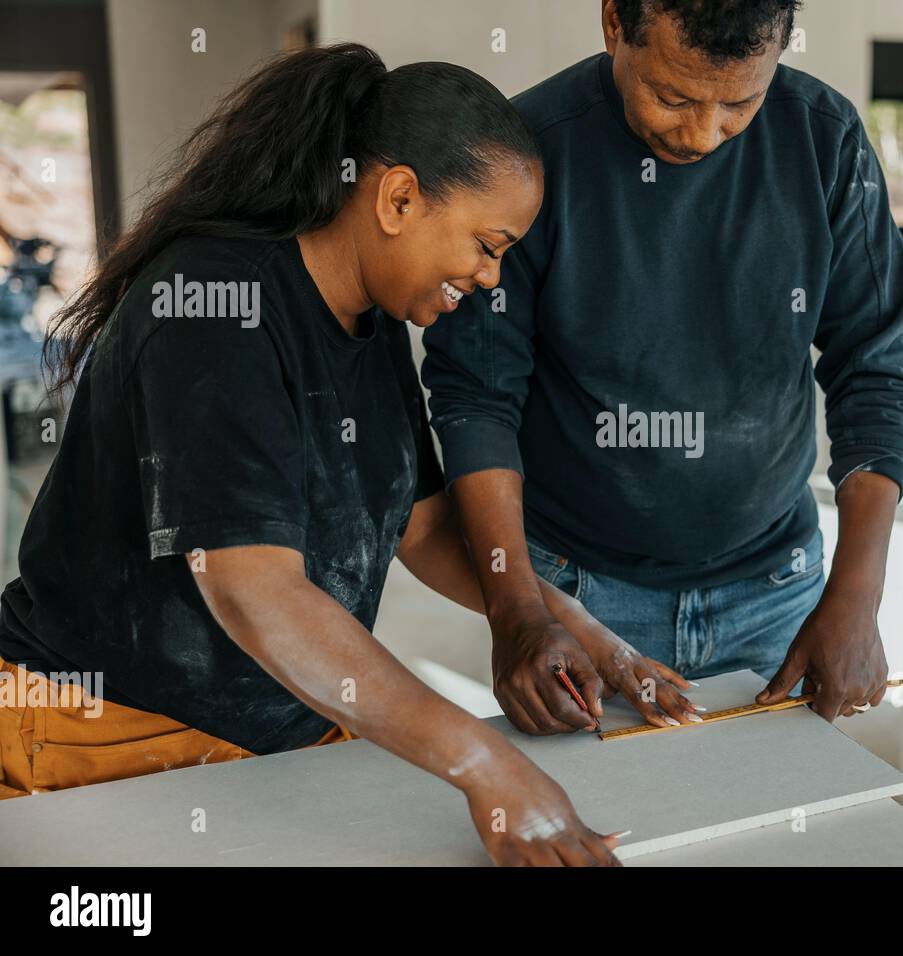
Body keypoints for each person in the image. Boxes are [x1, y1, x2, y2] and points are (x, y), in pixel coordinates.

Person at [0, 42, 695, 867]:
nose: (489, 276)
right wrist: (485, 764)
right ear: (398, 197)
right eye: (486, 243)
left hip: (276, 726)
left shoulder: (371, 322)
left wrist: (563, 625)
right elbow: (254, 591)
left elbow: (424, 529)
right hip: (101, 731)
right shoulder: (214, 307)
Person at [422, 0, 903, 731]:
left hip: (779, 586)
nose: (703, 133)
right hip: (579, 590)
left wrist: (857, 592)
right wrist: (517, 607)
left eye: (741, 102)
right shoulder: (529, 152)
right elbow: (475, 396)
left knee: (770, 833)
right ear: (613, 23)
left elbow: (874, 372)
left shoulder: (826, 142)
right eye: (672, 96)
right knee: (604, 830)